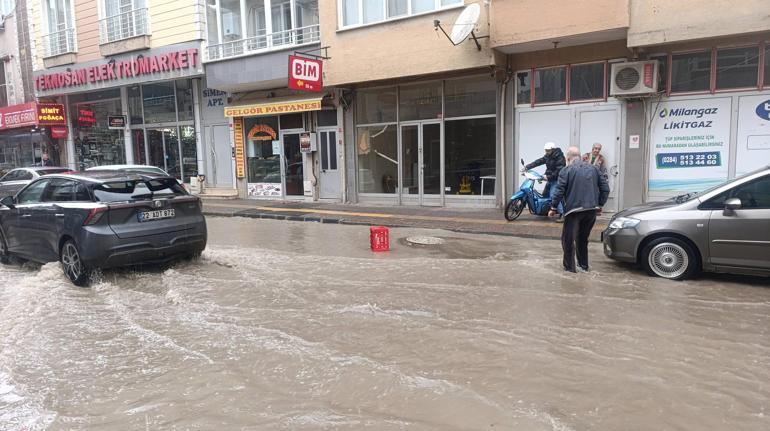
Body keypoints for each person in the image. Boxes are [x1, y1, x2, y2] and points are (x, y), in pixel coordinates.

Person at [549, 146, 610, 273]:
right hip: (591, 211)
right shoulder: (594, 169)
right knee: (582, 239)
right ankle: (583, 266)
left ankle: (569, 270)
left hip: (573, 212)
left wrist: (553, 207)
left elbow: (559, 190)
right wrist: (599, 204)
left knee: (568, 240)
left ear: (568, 158)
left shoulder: (566, 170)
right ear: (581, 156)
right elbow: (605, 188)